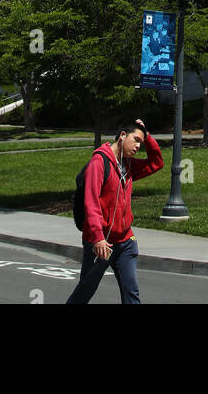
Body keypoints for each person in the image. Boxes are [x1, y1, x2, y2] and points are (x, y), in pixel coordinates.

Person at [66, 117, 163, 304]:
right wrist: (98, 238)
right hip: (101, 243)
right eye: (136, 140)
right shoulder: (99, 163)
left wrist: (147, 135)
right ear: (123, 135)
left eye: (141, 143)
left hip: (125, 241)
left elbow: (156, 163)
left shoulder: (128, 164)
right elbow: (91, 203)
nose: (138, 147)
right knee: (85, 291)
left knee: (131, 294)